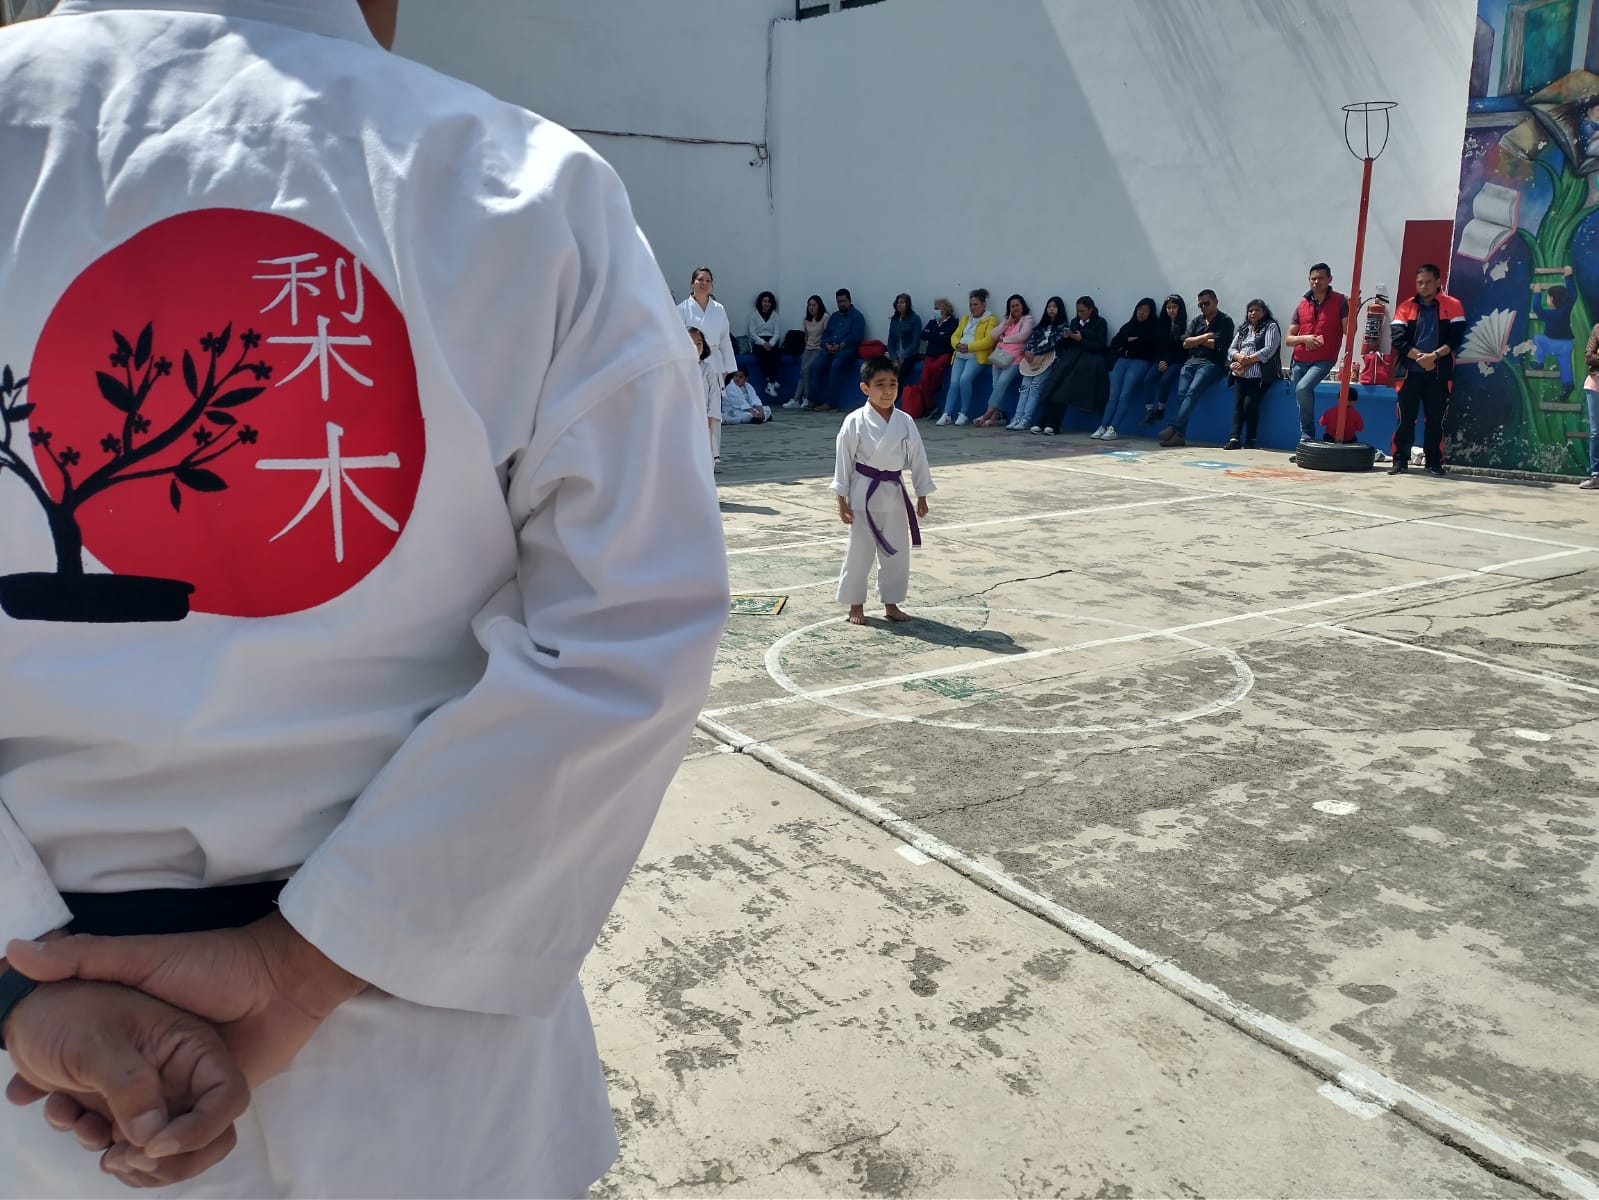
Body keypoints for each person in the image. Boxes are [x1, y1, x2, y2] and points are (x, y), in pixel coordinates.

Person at [0, 6, 730, 1197]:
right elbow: (634, 630)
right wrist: (301, 967)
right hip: (436, 1096)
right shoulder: (516, 184)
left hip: (47, 1105)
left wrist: (23, 974)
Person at [833, 356, 934, 626]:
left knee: (896, 551)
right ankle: (856, 604)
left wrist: (922, 494)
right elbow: (843, 461)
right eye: (880, 385)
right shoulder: (854, 421)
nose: (887, 391)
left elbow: (918, 458)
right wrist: (841, 499)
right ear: (865, 388)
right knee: (859, 551)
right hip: (863, 492)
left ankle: (891, 603)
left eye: (893, 384)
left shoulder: (905, 421)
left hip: (894, 493)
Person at [1388, 264, 1466, 476]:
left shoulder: (1453, 305)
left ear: (1438, 282)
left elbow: (1456, 338)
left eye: (1428, 282)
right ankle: (1400, 461)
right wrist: (1421, 358)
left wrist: (1434, 357)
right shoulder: (1405, 307)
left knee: (1435, 421)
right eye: (1419, 283)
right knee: (1405, 420)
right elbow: (1398, 340)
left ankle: (1433, 462)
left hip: (1439, 374)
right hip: (1409, 374)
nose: (1423, 286)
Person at [1160, 289, 1234, 448]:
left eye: (1206, 303)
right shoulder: (1197, 321)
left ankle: (1174, 426)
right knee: (1182, 395)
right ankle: (1179, 436)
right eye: (1200, 305)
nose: (1203, 307)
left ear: (1216, 302)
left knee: (1193, 391)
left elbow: (1218, 345)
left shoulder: (1225, 321)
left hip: (1211, 363)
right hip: (1191, 362)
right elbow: (1185, 343)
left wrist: (1195, 340)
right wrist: (1205, 337)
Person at [1284, 263, 1349, 445]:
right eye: (1313, 278)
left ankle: (1306, 436)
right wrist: (1304, 338)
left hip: (1324, 359)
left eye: (1320, 278)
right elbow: (1289, 339)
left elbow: (1349, 332)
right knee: (1303, 397)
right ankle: (1307, 439)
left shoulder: (1340, 301)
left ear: (1329, 279)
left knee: (1303, 389)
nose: (1316, 282)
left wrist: (1353, 310)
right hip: (1299, 359)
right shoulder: (1302, 304)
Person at [1035, 296, 1109, 435]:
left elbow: (1100, 346)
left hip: (1087, 360)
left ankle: (1053, 424)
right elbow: (1068, 345)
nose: (1079, 314)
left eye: (1082, 311)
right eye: (1078, 311)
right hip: (1071, 358)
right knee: (1053, 384)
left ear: (1090, 310)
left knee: (1064, 389)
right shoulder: (1075, 322)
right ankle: (1042, 421)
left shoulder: (1100, 323)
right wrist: (1066, 338)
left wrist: (1081, 340)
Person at [1097, 297, 1162, 440]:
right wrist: (1130, 341)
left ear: (1151, 313)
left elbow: (1149, 346)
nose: (1141, 313)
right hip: (1122, 361)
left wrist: (1131, 342)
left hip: (1140, 362)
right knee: (1113, 395)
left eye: (1145, 311)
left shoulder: (1153, 328)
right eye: (1139, 309)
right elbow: (1115, 342)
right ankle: (1103, 426)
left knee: (1125, 394)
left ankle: (1114, 428)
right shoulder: (1129, 326)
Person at [1223, 299, 1282, 450]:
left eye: (1257, 310)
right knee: (1238, 406)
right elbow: (1231, 349)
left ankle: (1251, 439)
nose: (1253, 313)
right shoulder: (1244, 328)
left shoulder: (1271, 326)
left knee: (1249, 405)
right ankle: (1234, 438)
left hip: (1259, 375)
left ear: (1264, 312)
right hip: (1240, 374)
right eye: (1250, 310)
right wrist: (1238, 358)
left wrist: (1247, 360)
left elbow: (1269, 349)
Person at [936, 288, 996, 426]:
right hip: (960, 354)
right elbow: (955, 335)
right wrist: (957, 344)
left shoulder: (991, 320)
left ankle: (963, 413)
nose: (972, 307)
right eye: (970, 304)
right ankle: (946, 414)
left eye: (976, 304)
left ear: (983, 304)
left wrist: (970, 347)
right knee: (954, 382)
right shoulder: (965, 318)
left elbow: (989, 341)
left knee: (965, 379)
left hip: (976, 356)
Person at [1009, 296, 1068, 431]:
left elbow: (1053, 343)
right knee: (1024, 388)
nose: (1051, 309)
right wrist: (1028, 350)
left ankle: (1026, 419)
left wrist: (1035, 352)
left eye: (1054, 306)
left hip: (1048, 361)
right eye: (1049, 306)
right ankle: (1017, 417)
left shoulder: (1062, 326)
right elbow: (1031, 340)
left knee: (1035, 388)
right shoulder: (1041, 326)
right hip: (1031, 360)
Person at [975, 294, 1034, 426]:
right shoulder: (1008, 321)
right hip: (1000, 356)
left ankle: (987, 414)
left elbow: (1022, 336)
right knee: (996, 385)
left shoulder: (1027, 319)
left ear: (1022, 306)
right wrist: (1007, 323)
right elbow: (993, 334)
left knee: (1002, 383)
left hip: (1015, 358)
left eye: (1017, 305)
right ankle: (995, 416)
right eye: (1012, 306)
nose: (1015, 308)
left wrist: (1004, 339)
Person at [1516, 270, 1577, 394]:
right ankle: (1568, 384)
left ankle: (1539, 362)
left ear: (1552, 299)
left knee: (1538, 338)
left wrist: (1537, 293)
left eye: (1548, 297)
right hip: (1566, 344)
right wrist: (1568, 276)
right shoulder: (1566, 310)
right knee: (1565, 364)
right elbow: (1573, 295)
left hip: (1552, 343)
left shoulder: (1547, 314)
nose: (1547, 299)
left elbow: (1537, 308)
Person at [677, 266, 737, 382]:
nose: (704, 283)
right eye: (700, 279)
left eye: (708, 280)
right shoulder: (682, 309)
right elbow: (678, 341)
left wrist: (727, 368)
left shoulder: (719, 309)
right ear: (692, 283)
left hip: (716, 362)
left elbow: (725, 339)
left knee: (715, 393)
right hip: (692, 362)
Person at [812, 287, 866, 411]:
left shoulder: (857, 316)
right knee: (817, 365)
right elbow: (826, 334)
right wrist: (826, 344)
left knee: (836, 365)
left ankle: (830, 403)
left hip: (847, 350)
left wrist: (841, 345)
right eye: (839, 302)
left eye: (843, 301)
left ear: (849, 301)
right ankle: (813, 400)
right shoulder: (834, 316)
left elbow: (857, 336)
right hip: (830, 348)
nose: (841, 304)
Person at [1146, 293, 1188, 424]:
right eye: (1168, 307)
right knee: (1148, 379)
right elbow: (1158, 346)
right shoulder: (1162, 325)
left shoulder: (1186, 326)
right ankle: (1149, 410)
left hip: (1177, 361)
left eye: (1174, 307)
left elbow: (1182, 350)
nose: (1171, 310)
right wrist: (1160, 361)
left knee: (1165, 380)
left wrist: (1167, 362)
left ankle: (1160, 409)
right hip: (1161, 360)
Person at [786, 293, 828, 409]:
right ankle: (796, 399)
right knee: (802, 372)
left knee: (806, 369)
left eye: (814, 305)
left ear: (819, 306)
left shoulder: (825, 317)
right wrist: (806, 348)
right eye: (809, 305)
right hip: (808, 348)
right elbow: (806, 335)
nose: (811, 308)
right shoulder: (806, 319)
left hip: (819, 348)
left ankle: (807, 397)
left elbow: (826, 334)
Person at [691, 325, 724, 467]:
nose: (696, 347)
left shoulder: (707, 369)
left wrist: (711, 416)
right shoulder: (677, 370)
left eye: (699, 343)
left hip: (705, 416)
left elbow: (714, 395)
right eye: (691, 343)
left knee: (705, 450)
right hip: (685, 417)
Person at [748, 290, 783, 398]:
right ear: (760, 302)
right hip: (759, 342)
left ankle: (770, 383)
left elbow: (777, 333)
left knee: (775, 355)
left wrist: (771, 343)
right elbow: (752, 333)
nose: (766, 304)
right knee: (763, 355)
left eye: (769, 301)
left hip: (772, 341)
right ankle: (772, 381)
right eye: (764, 301)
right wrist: (763, 343)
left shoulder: (775, 316)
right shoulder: (754, 316)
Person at [886, 292, 922, 389]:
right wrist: (894, 357)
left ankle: (896, 397)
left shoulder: (915, 319)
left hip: (910, 355)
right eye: (898, 303)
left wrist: (904, 356)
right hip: (896, 354)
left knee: (900, 376)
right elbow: (890, 340)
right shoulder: (895, 319)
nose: (899, 304)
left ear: (908, 304)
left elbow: (915, 341)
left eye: (902, 302)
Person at [1583, 320, 1599, 490]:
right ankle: (1596, 475)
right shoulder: (1598, 328)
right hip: (1595, 385)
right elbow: (1589, 356)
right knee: (1596, 432)